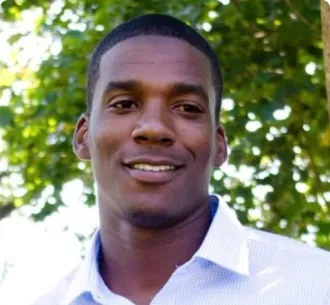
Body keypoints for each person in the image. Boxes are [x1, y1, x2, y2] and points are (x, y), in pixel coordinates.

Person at [33, 14, 330, 305]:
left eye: (187, 108)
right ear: (83, 136)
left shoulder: (318, 285)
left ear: (219, 145)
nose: (154, 127)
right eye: (124, 104)